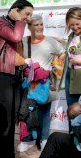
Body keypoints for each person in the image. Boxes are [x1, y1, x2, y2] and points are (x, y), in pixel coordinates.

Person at [0, 0, 34, 158]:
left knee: (12, 121)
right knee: (4, 124)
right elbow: (15, 37)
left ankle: (9, 154)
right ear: (15, 9)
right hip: (2, 79)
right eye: (26, 13)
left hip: (14, 78)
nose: (28, 18)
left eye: (30, 15)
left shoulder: (15, 24)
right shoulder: (0, 22)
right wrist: (20, 21)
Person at [17, 14, 65, 152]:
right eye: (36, 25)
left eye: (41, 24)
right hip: (29, 84)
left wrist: (55, 66)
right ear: (29, 26)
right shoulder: (24, 42)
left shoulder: (50, 41)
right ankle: (27, 140)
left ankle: (44, 139)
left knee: (44, 113)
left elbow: (62, 52)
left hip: (45, 83)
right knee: (26, 111)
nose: (39, 27)